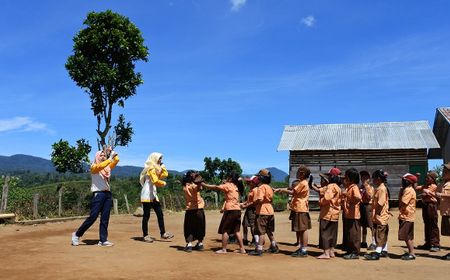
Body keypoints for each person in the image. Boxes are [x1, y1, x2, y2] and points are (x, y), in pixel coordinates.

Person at [71, 148, 119, 247]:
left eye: (104, 155)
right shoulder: (93, 167)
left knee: (105, 218)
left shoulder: (107, 168)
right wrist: (109, 158)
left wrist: (111, 152)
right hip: (98, 194)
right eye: (101, 155)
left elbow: (116, 160)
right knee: (93, 217)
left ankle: (103, 240)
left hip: (107, 194)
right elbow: (100, 166)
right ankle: (76, 234)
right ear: (97, 156)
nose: (103, 156)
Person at [201, 171, 246, 254]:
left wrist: (204, 184)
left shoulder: (228, 185)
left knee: (225, 230)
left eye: (228, 177)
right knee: (237, 231)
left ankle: (224, 249)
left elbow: (215, 187)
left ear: (231, 179)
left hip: (230, 210)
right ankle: (242, 249)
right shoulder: (236, 186)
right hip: (237, 210)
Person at [275, 166, 312, 257]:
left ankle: (304, 250)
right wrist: (280, 189)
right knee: (301, 229)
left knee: (303, 229)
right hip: (299, 208)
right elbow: (292, 189)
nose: (297, 173)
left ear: (303, 173)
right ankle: (302, 248)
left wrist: (282, 190)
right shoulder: (302, 183)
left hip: (301, 208)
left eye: (299, 171)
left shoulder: (303, 183)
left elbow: (293, 192)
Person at [139, 152, 174, 242]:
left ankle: (163, 233)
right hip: (147, 194)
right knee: (146, 215)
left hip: (153, 194)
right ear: (154, 158)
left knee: (160, 214)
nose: (161, 160)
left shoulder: (156, 168)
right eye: (159, 158)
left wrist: (162, 166)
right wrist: (163, 183)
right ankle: (145, 235)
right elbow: (155, 180)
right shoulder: (150, 168)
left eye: (161, 158)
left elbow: (165, 174)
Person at [249, 169, 279, 256]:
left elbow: (260, 199)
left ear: (261, 178)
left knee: (260, 231)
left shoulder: (261, 187)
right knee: (269, 230)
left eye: (258, 177)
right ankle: (274, 246)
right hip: (270, 210)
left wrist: (253, 203)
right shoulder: (269, 187)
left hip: (262, 211)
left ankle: (259, 249)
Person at [364, 169, 390, 260]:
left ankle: (377, 253)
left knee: (380, 234)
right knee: (381, 234)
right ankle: (384, 250)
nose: (373, 180)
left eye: (374, 178)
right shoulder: (379, 188)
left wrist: (376, 214)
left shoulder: (382, 189)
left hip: (380, 216)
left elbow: (380, 203)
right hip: (379, 216)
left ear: (378, 179)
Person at [315, 172, 341, 259]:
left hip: (328, 213)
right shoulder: (338, 187)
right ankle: (331, 251)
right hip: (335, 214)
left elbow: (327, 198)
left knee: (325, 233)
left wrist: (321, 202)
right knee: (333, 234)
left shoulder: (331, 186)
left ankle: (326, 253)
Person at [182, 170, 206, 252]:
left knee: (189, 227)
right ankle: (200, 244)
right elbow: (199, 188)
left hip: (190, 209)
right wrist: (199, 179)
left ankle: (189, 245)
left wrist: (196, 179)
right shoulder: (194, 185)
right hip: (199, 208)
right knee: (200, 226)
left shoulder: (185, 185)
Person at [416, 172, 440, 252]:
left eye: (428, 178)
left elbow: (425, 194)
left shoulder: (434, 186)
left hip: (431, 205)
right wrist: (417, 178)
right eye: (426, 177)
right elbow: (416, 188)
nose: (426, 179)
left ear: (433, 179)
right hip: (426, 205)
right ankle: (428, 243)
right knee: (427, 224)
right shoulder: (425, 186)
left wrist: (425, 192)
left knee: (433, 224)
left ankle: (435, 244)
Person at [342, 168, 362, 260]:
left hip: (354, 215)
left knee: (354, 234)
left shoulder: (354, 187)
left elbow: (358, 197)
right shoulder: (349, 187)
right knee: (350, 234)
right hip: (349, 215)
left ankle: (355, 252)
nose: (345, 178)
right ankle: (350, 251)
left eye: (346, 177)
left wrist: (351, 203)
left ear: (351, 178)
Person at [398, 173, 417, 260]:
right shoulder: (408, 189)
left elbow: (403, 202)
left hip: (407, 216)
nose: (402, 182)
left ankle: (411, 253)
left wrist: (400, 192)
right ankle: (411, 252)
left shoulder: (408, 190)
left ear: (408, 182)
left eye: (403, 180)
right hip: (408, 215)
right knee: (408, 236)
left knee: (406, 236)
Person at [436, 163, 450, 260]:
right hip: (445, 212)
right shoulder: (444, 183)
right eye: (443, 171)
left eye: (446, 172)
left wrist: (441, 195)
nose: (443, 173)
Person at [359, 171, 376, 250]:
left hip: (368, 206)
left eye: (365, 178)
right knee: (363, 225)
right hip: (362, 205)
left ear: (369, 179)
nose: (363, 179)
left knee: (371, 225)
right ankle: (364, 241)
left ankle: (373, 242)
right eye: (362, 177)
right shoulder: (360, 187)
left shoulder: (370, 187)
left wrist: (365, 186)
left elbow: (369, 197)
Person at [241, 176, 259, 247]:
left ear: (254, 183)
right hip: (249, 209)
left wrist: (245, 206)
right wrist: (244, 203)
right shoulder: (251, 189)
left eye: (251, 182)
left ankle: (255, 241)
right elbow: (249, 200)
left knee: (252, 225)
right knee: (244, 224)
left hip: (252, 209)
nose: (249, 183)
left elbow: (254, 202)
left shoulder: (256, 190)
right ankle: (245, 239)